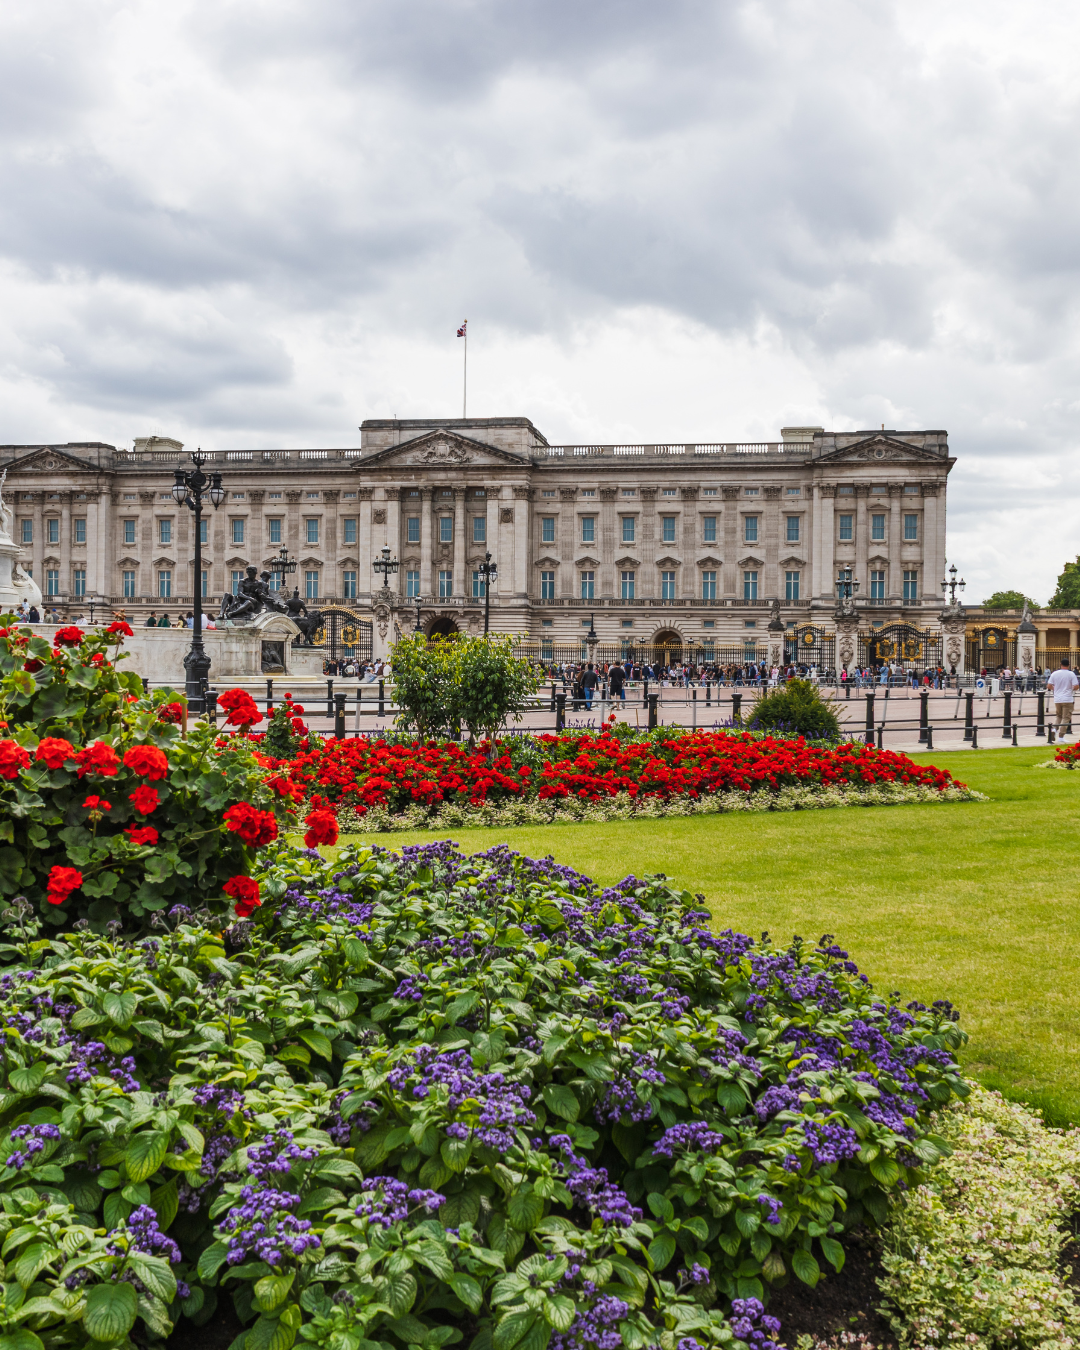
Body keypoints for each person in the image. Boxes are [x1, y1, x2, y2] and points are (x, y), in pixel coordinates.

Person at [1047, 658, 1079, 737]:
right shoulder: (1071, 674)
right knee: (1066, 717)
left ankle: (1054, 729)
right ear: (1069, 665)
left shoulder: (1054, 673)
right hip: (1067, 698)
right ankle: (1061, 736)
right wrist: (1071, 689)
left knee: (1058, 716)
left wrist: (1056, 689)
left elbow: (1049, 685)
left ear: (1060, 664)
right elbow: (1076, 686)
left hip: (1057, 698)